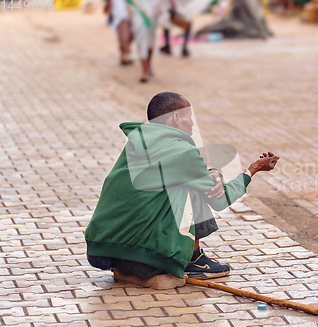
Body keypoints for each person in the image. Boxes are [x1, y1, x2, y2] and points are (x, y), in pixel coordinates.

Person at [85, 92, 279, 288]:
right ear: (176, 118)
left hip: (105, 251)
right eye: (189, 116)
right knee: (192, 187)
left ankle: (129, 271)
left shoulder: (137, 142)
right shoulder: (183, 151)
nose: (193, 123)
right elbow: (220, 200)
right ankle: (194, 260)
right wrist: (252, 169)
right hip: (144, 256)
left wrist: (210, 173)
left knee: (190, 181)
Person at [105, 0, 134, 65]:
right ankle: (125, 55)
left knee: (131, 36)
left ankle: (125, 53)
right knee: (123, 37)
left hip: (132, 16)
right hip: (120, 17)